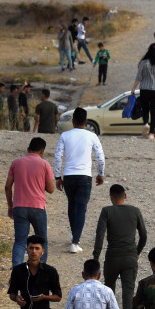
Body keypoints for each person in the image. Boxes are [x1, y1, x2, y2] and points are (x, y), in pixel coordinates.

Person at [93, 183, 148, 309]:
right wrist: (137, 252)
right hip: (130, 256)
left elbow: (100, 235)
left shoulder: (107, 211)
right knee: (128, 292)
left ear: (111, 197)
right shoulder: (135, 211)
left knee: (109, 289)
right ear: (125, 196)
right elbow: (143, 235)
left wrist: (96, 257)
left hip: (112, 256)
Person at [54, 107, 106, 252]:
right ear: (86, 121)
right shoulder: (92, 136)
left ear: (73, 120)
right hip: (85, 176)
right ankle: (75, 242)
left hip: (69, 176)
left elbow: (58, 156)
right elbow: (100, 157)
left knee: (72, 205)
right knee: (81, 208)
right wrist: (100, 174)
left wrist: (58, 176)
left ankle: (74, 235)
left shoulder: (65, 135)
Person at [5, 137, 55, 265]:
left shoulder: (16, 162)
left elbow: (7, 186)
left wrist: (10, 206)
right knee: (42, 240)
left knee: (20, 242)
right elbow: (50, 189)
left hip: (19, 207)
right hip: (38, 207)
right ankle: (41, 270)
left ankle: (17, 273)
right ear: (42, 151)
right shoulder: (45, 164)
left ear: (28, 149)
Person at [132, 43, 155, 140]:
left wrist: (133, 88)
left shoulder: (143, 63)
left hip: (145, 90)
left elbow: (139, 77)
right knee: (154, 111)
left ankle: (146, 123)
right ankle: (151, 133)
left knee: (145, 109)